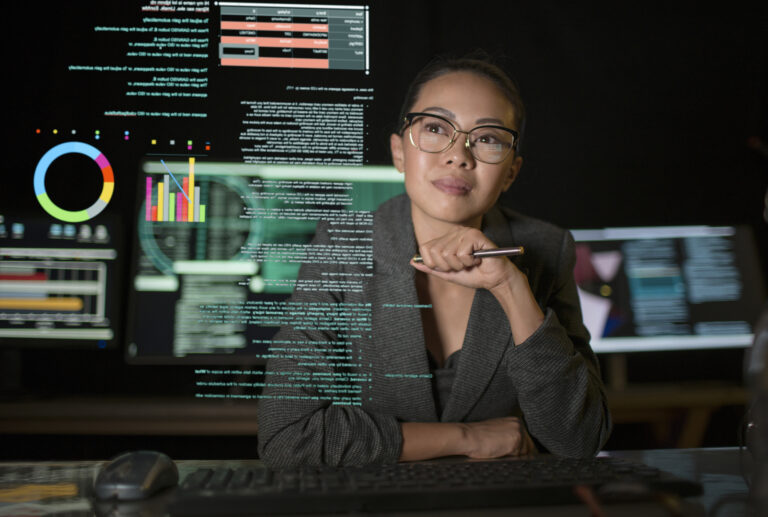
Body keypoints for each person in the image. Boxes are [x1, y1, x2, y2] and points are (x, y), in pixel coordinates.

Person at [257, 54, 612, 467]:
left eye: (488, 138)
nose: (458, 155)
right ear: (399, 153)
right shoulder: (342, 245)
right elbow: (286, 437)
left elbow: (579, 439)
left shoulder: (547, 249)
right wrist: (466, 439)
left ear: (511, 173)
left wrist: (511, 289)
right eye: (435, 128)